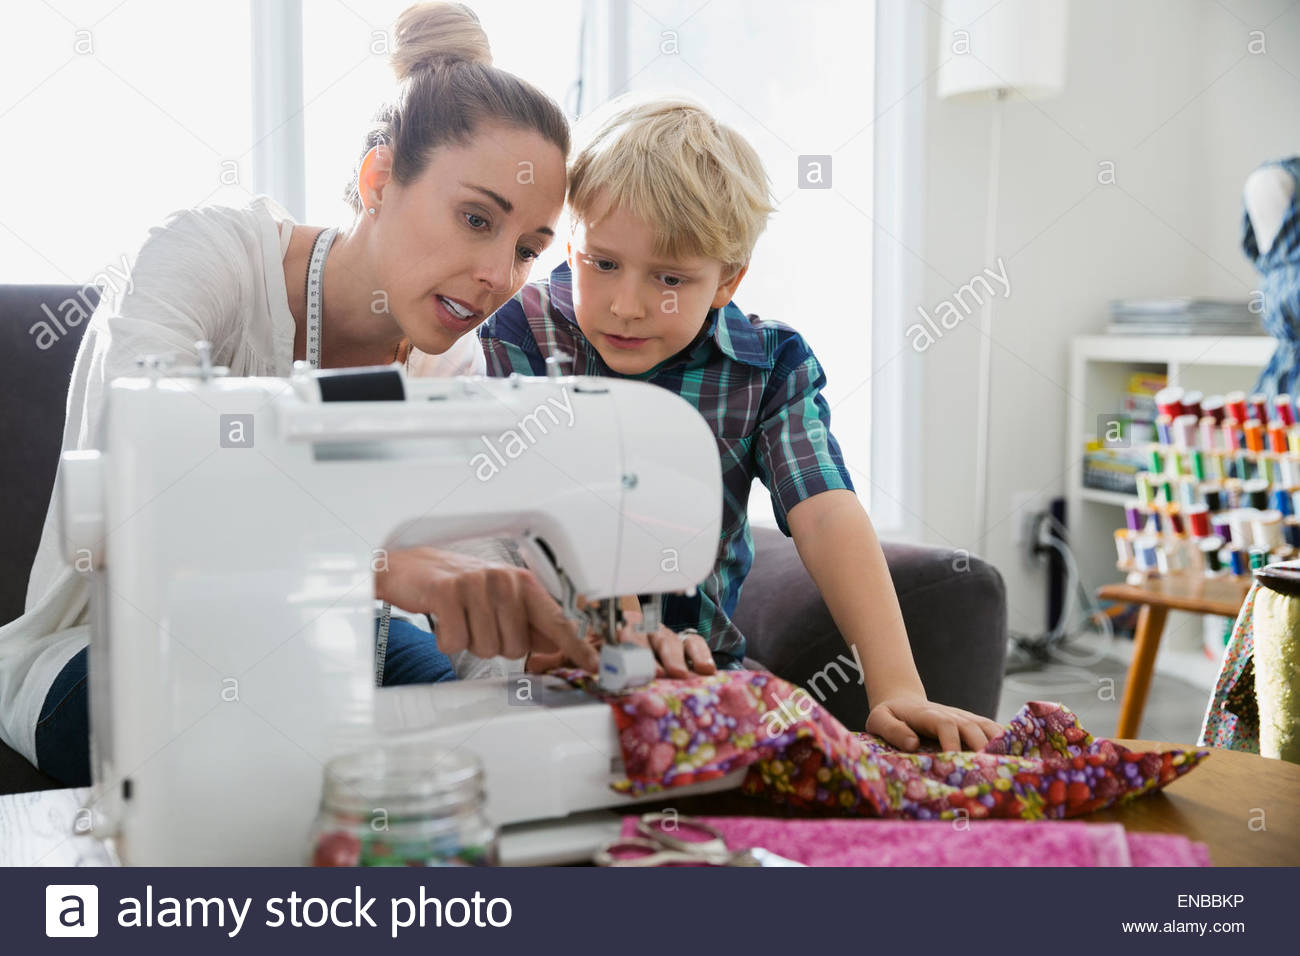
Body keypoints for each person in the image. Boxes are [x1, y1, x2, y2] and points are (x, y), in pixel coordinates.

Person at [0, 2, 595, 787]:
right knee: (269, 764)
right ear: (378, 180)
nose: (498, 276)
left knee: (472, 773)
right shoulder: (204, 259)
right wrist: (379, 563)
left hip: (342, 644)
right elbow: (142, 498)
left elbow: (473, 589)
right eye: (475, 218)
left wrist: (533, 670)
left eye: (526, 249)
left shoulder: (451, 367)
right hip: (117, 645)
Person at [481, 96, 1005, 752]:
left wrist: (896, 687)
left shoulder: (769, 366)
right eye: (602, 262)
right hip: (538, 673)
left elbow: (824, 514)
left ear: (728, 280)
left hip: (700, 672)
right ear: (570, 241)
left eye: (669, 278)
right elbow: (497, 513)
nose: (627, 304)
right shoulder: (519, 332)